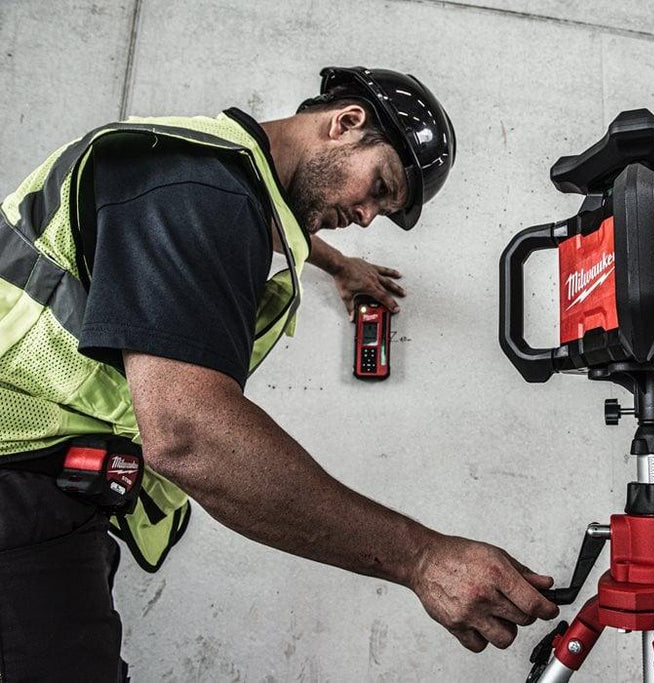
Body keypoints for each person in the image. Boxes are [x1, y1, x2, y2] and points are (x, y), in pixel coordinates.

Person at [0, 66, 558, 680]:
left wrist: (337, 263)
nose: (367, 215)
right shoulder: (200, 190)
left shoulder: (205, 170)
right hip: (17, 478)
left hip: (42, 482)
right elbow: (187, 435)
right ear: (347, 123)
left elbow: (269, 221)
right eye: (379, 187)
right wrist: (422, 559)